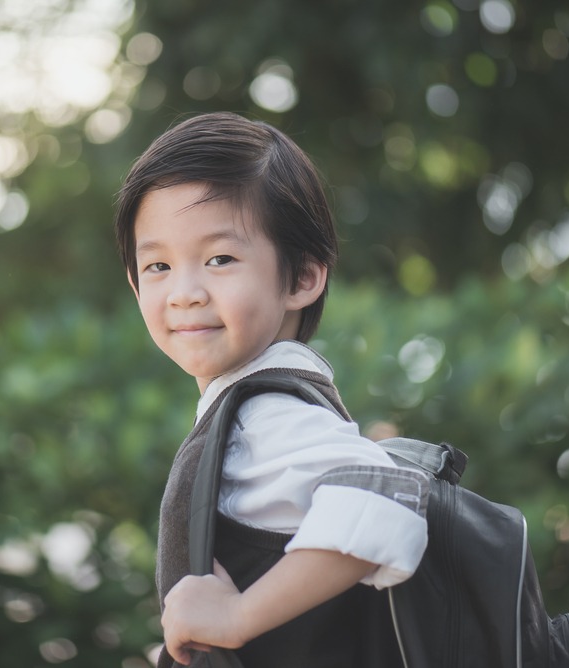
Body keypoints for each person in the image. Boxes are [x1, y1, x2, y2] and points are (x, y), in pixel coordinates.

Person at [114, 112, 430, 667]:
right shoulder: (253, 404)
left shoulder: (268, 415)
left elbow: (386, 496)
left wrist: (238, 618)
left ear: (303, 276)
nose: (184, 292)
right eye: (158, 264)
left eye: (220, 259)